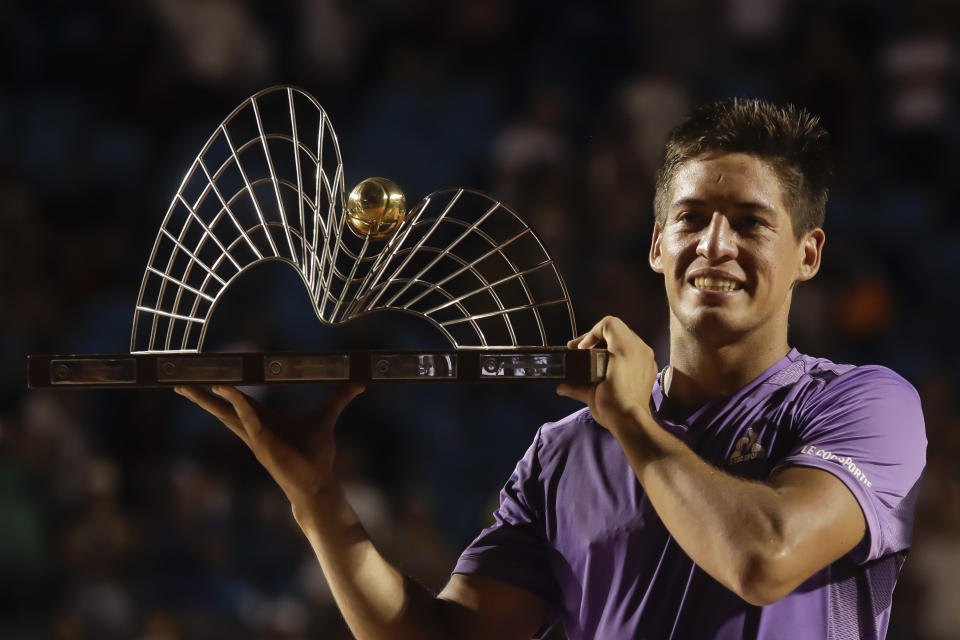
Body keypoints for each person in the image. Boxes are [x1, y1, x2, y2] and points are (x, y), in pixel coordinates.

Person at [175, 98, 926, 639]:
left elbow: (764, 558)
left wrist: (633, 419)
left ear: (808, 255)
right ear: (659, 243)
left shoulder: (864, 405)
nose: (715, 245)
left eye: (751, 223)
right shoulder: (565, 452)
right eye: (693, 218)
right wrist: (316, 500)